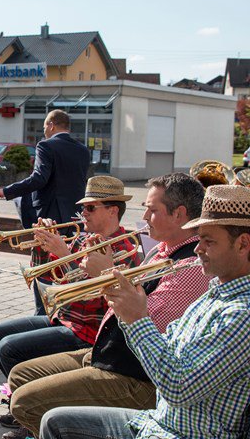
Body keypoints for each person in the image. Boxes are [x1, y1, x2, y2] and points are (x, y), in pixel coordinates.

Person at [4, 173, 209, 439]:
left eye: (152, 210)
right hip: (111, 351)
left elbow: (142, 319)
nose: (144, 218)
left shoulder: (189, 266)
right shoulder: (161, 250)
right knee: (20, 375)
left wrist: (106, 273)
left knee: (24, 401)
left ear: (179, 214)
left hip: (135, 374)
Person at [40, 184, 250, 439]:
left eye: (208, 241)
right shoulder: (217, 291)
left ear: (243, 244)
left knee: (47, 412)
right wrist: (132, 315)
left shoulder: (241, 314)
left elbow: (179, 387)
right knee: (55, 422)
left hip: (181, 432)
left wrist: (137, 319)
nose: (198, 248)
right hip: (158, 418)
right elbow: (171, 340)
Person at [0, 176, 139, 431]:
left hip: (88, 331)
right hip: (64, 318)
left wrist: (65, 254)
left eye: (90, 208)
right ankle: (24, 402)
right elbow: (44, 277)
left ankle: (31, 413)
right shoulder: (80, 239)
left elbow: (97, 298)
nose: (83, 214)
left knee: (10, 348)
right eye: (83, 208)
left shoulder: (124, 246)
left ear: (113, 210)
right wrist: (44, 245)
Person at [0, 109, 91, 315]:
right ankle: (65, 311)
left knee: (44, 269)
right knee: (67, 266)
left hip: (50, 218)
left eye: (45, 126)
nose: (44, 130)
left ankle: (43, 313)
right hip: (76, 218)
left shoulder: (46, 145)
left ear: (52, 125)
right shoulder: (82, 150)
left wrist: (7, 191)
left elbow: (39, 178)